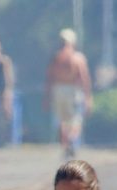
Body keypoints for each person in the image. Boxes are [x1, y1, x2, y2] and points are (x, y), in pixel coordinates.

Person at [44, 28, 93, 159]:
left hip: (58, 90)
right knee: (76, 119)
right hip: (73, 90)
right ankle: (71, 139)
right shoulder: (78, 58)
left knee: (62, 121)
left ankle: (66, 146)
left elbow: (49, 78)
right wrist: (88, 97)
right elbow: (84, 78)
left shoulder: (55, 58)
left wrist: (46, 97)